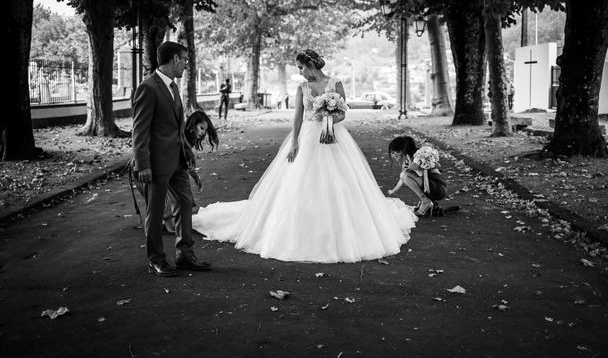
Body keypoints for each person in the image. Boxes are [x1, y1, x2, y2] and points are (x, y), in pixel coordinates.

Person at [193, 49, 417, 263]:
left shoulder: (335, 83)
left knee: (340, 181)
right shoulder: (302, 88)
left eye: (301, 67)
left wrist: (330, 119)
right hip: (308, 137)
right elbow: (298, 118)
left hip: (334, 137)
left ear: (311, 65)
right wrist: (294, 143)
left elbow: (343, 112)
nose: (300, 72)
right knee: (299, 181)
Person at [132, 41, 212, 277]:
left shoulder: (174, 88)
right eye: (185, 60)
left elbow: (177, 129)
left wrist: (187, 157)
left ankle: (185, 254)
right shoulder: (148, 88)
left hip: (177, 161)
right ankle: (156, 259)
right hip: (155, 164)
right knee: (155, 213)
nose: (186, 65)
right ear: (175, 59)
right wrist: (142, 165)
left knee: (185, 203)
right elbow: (139, 131)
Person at [163, 110, 219, 234]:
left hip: (174, 168)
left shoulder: (191, 138)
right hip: (159, 167)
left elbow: (186, 162)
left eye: (205, 129)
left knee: (182, 197)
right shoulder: (180, 135)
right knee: (168, 196)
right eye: (201, 128)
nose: (203, 132)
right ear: (193, 125)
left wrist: (195, 177)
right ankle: (165, 223)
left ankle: (170, 221)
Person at [387, 136, 447, 217]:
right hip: (428, 187)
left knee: (405, 174)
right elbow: (403, 178)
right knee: (404, 174)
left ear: (401, 150)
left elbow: (437, 165)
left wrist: (418, 167)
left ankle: (426, 201)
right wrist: (394, 190)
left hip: (438, 188)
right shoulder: (408, 160)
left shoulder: (421, 155)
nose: (393, 155)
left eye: (394, 152)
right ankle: (427, 202)